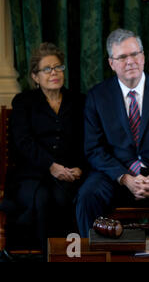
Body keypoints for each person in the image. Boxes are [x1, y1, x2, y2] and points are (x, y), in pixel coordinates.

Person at [75, 29, 149, 237]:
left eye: (135, 54)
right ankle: (95, 257)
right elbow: (94, 149)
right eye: (122, 57)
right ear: (111, 63)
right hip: (116, 173)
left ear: (143, 56)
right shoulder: (98, 96)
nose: (130, 61)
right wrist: (124, 178)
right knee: (87, 196)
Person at [0, 42, 85, 254]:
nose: (54, 73)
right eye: (47, 69)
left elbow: (88, 141)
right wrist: (51, 166)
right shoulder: (23, 102)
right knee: (42, 199)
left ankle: (71, 257)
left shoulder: (79, 101)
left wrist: (81, 168)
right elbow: (23, 142)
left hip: (70, 173)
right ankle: (40, 257)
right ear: (35, 77)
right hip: (33, 172)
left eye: (58, 67)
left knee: (66, 198)